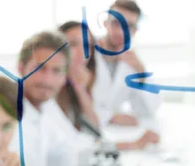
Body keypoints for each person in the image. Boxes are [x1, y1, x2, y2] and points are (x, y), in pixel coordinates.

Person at [13, 31, 128, 166]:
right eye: (39, 68)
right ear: (21, 68)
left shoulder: (41, 109)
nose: (47, 79)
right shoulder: (8, 118)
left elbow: (64, 154)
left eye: (56, 71)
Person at [56, 21, 161, 151]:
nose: (83, 52)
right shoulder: (50, 91)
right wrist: (132, 145)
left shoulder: (74, 86)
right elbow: (72, 147)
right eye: (73, 44)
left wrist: (80, 89)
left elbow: (93, 130)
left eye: (87, 46)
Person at [92, 0, 161, 131]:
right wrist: (109, 117)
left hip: (111, 132)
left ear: (135, 30)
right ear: (105, 24)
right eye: (116, 23)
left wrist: (141, 72)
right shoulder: (86, 53)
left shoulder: (131, 64)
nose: (121, 31)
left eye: (129, 26)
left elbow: (147, 110)